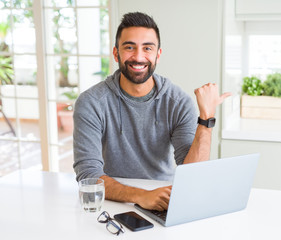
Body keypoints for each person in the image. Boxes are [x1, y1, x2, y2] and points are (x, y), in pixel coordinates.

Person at [73, 12, 231, 211]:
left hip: (164, 198)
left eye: (147, 48)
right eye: (129, 47)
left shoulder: (177, 101)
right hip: (112, 202)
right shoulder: (91, 102)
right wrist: (140, 196)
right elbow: (88, 174)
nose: (139, 57)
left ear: (158, 54)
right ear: (116, 53)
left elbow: (193, 174)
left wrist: (206, 119)